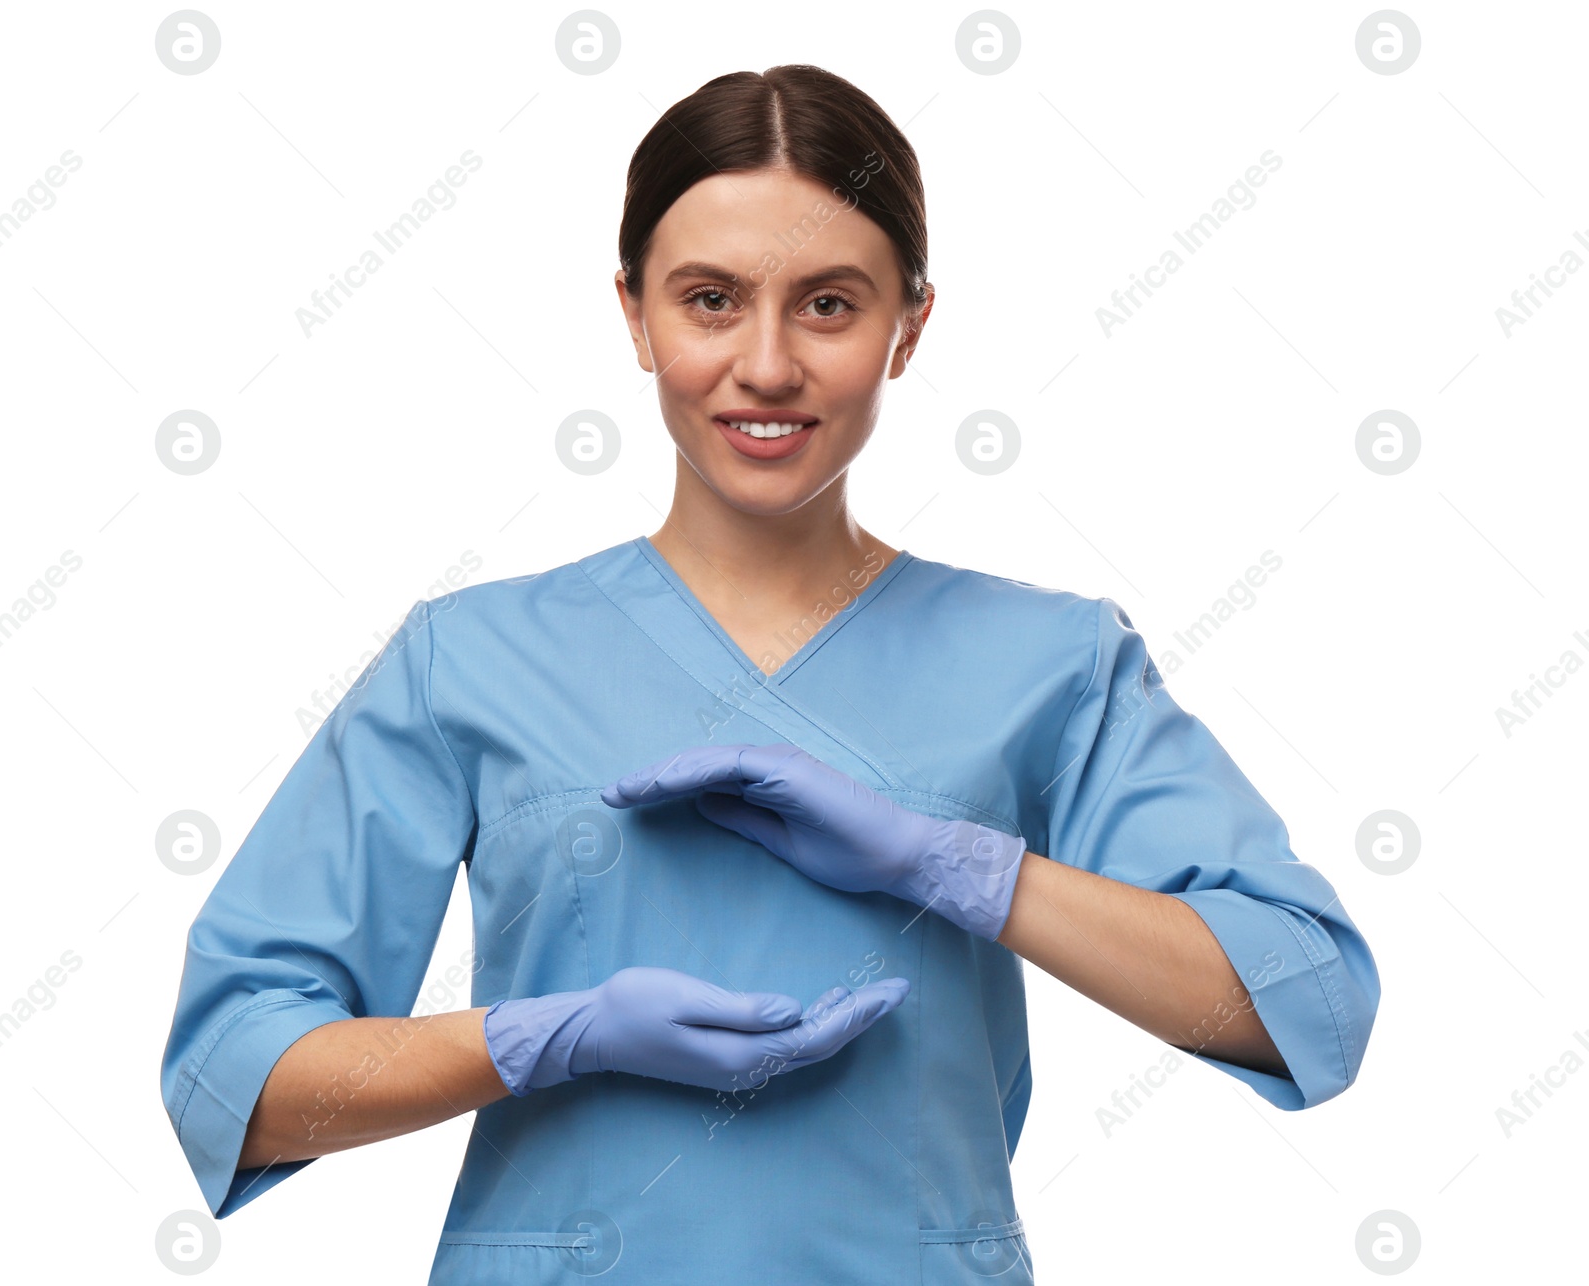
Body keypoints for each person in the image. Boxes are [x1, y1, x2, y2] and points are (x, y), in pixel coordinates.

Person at [160, 64, 1380, 1285]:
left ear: (910, 326)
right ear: (634, 314)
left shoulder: (1053, 661)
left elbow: (1304, 998)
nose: (766, 364)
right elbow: (240, 1079)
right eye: (709, 300)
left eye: (829, 304)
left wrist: (952, 864)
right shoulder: (468, 658)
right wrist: (547, 1036)